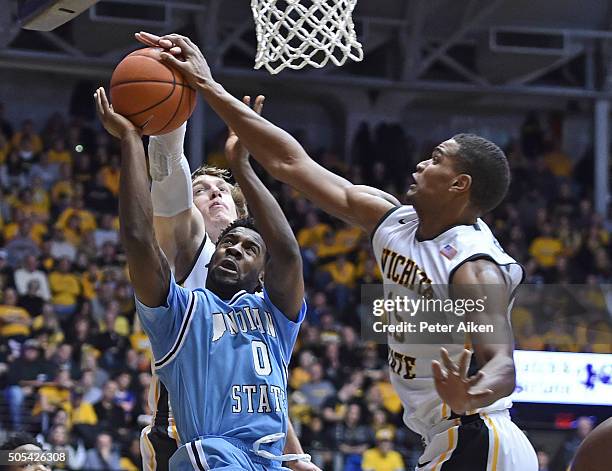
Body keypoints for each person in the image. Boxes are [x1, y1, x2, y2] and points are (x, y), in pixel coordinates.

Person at [137, 31, 538, 470]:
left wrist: (475, 392)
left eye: (437, 159)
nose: (422, 163)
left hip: (479, 433)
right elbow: (293, 164)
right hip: (443, 437)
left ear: (460, 185)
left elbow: (503, 364)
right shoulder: (393, 221)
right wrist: (209, 86)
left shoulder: (472, 266)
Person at [95, 86, 310, 470]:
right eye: (201, 189)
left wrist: (293, 454)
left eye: (222, 189)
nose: (213, 194)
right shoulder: (188, 245)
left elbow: (263, 385)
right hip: (185, 430)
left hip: (255, 444)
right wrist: (170, 103)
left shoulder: (267, 300)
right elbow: (166, 176)